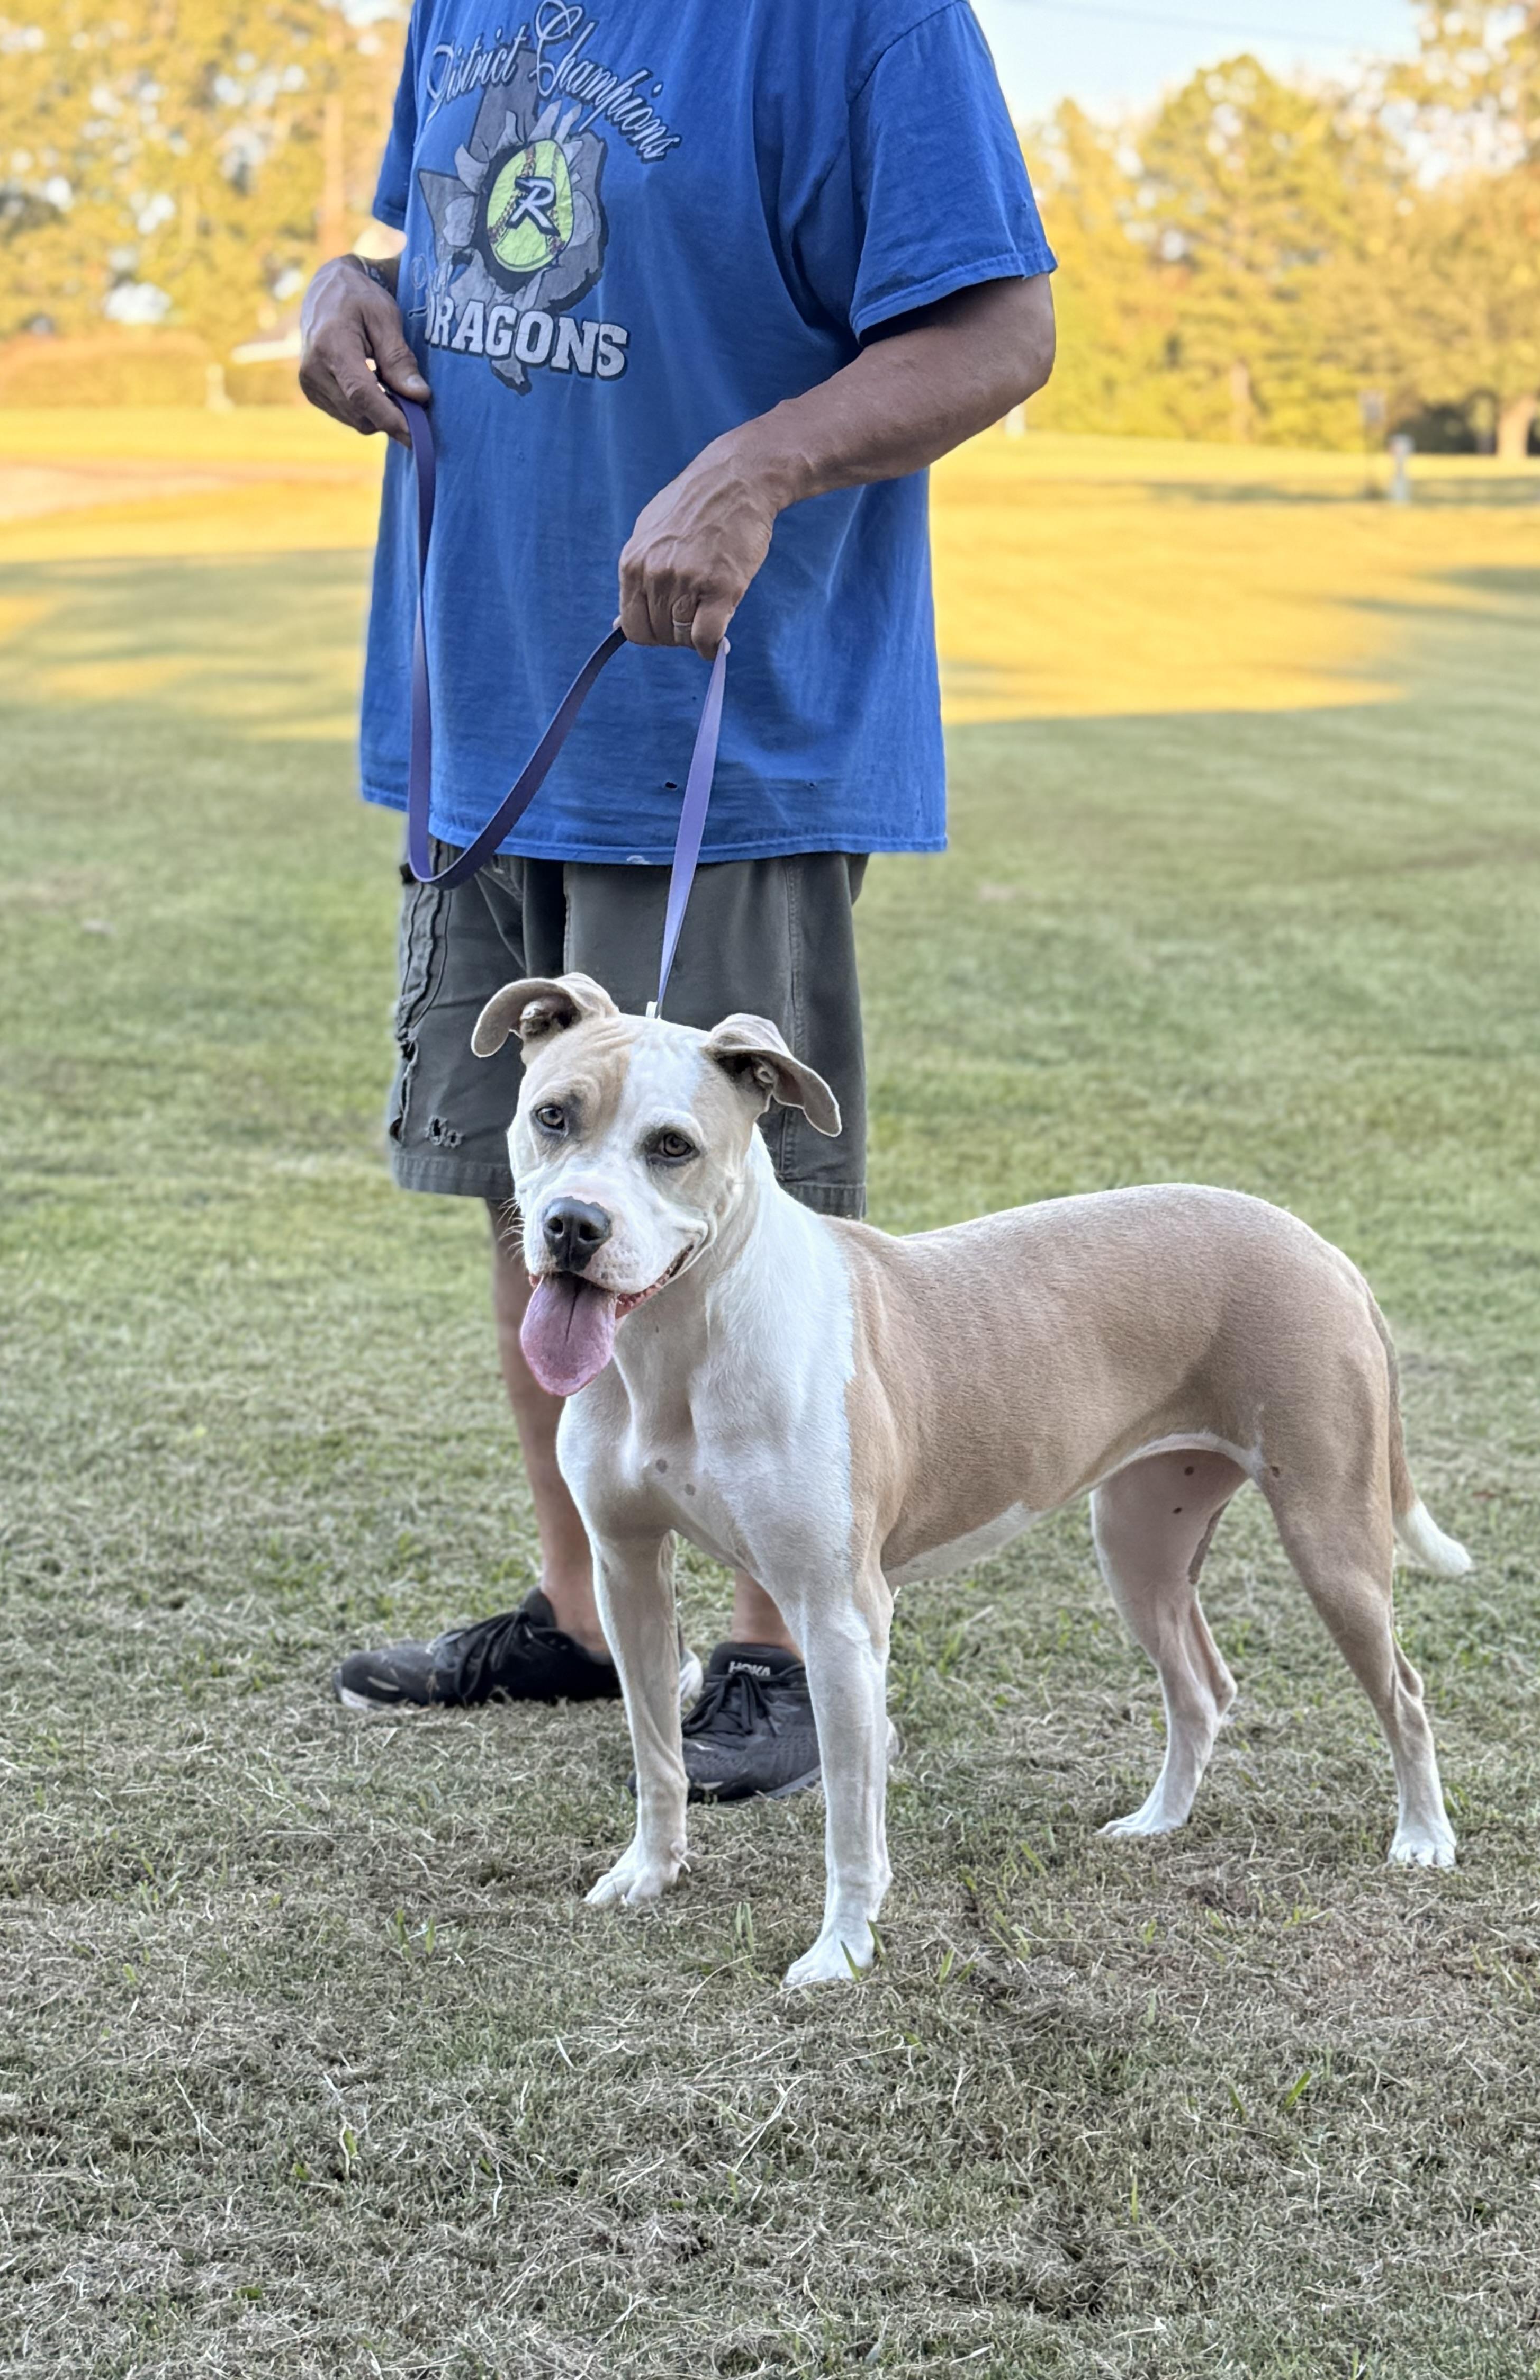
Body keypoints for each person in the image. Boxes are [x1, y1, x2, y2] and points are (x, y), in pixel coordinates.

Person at [301, 1, 1053, 1798]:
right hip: (482, 703)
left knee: (731, 1197)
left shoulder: (864, 25)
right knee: (541, 1167)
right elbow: (447, 241)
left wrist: (759, 460)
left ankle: (787, 1643)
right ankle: (585, 1604)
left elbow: (998, 328)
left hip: (721, 717)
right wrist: (344, 285)